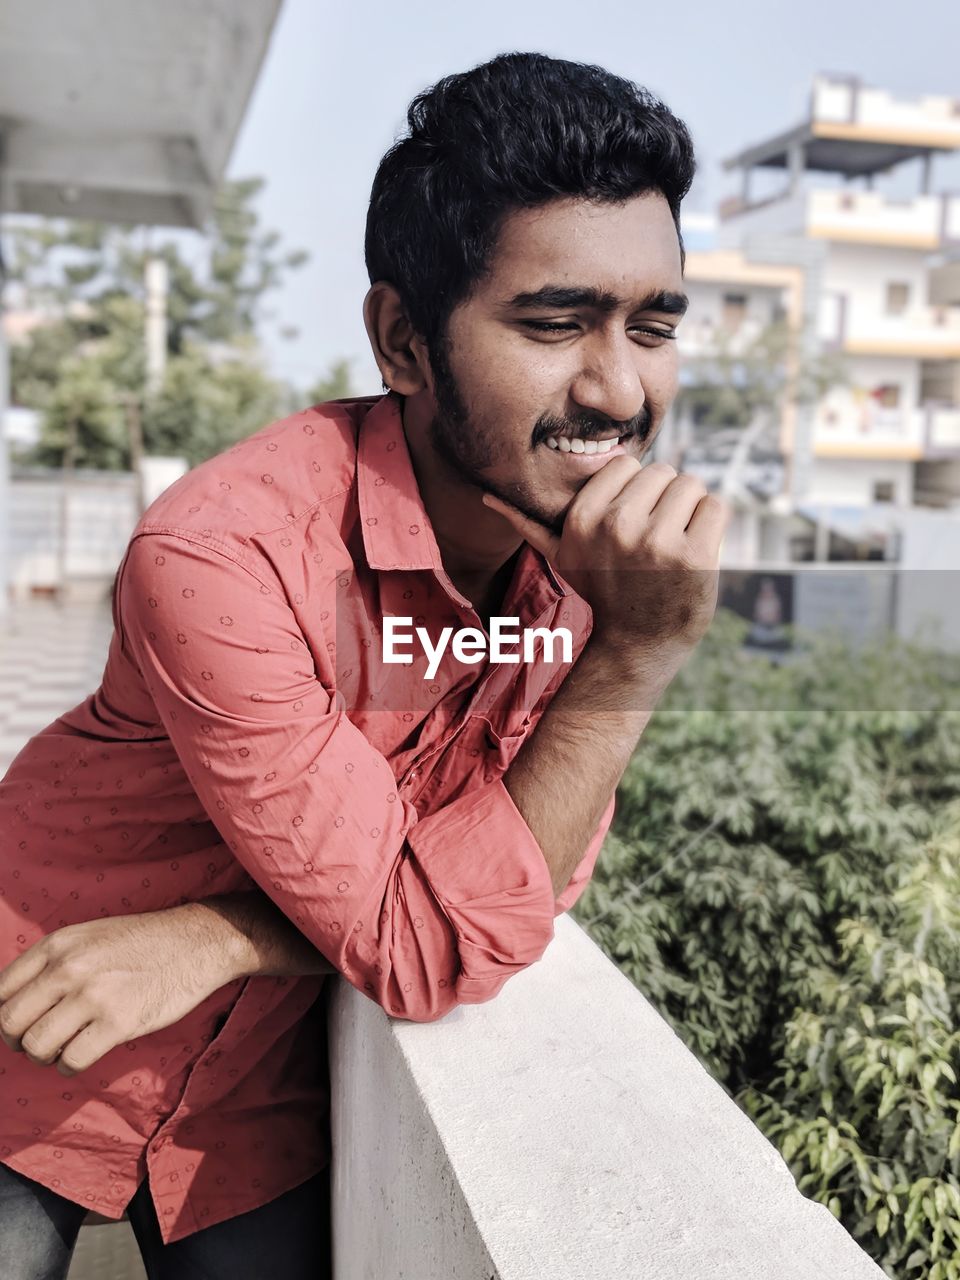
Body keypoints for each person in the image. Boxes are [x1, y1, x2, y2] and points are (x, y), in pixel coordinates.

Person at [0, 50, 727, 1279]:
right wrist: (632, 663)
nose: (619, 388)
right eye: (556, 322)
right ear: (403, 338)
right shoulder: (225, 553)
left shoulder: (580, 566)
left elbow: (522, 887)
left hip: (250, 1095)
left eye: (651, 326)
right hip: (37, 1008)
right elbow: (424, 922)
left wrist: (223, 936)